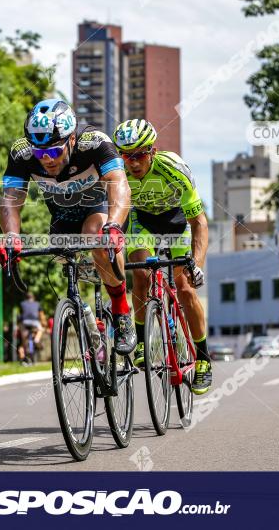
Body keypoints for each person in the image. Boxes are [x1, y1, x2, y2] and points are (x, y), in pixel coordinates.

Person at [0, 99, 136, 354]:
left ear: (71, 140)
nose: (46, 159)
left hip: (100, 210)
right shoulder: (21, 152)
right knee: (63, 259)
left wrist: (115, 225)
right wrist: (11, 237)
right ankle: (83, 316)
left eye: (53, 151)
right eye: (39, 153)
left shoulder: (94, 142)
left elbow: (119, 184)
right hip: (62, 216)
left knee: (96, 236)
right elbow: (10, 199)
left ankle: (120, 310)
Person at [112, 118, 212, 395]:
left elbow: (200, 223)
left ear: (152, 151)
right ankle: (143, 339)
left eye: (140, 154)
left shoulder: (174, 168)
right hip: (142, 221)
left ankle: (203, 357)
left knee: (185, 289)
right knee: (141, 273)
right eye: (126, 155)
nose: (133, 162)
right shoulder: (117, 174)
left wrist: (197, 266)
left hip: (175, 223)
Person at [18, 292, 46, 363]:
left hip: (25, 322)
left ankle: (25, 344)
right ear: (33, 298)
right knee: (41, 329)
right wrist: (43, 324)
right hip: (35, 322)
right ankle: (36, 340)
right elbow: (41, 315)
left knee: (24, 338)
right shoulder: (37, 304)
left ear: (26, 298)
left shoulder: (22, 304)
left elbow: (20, 315)